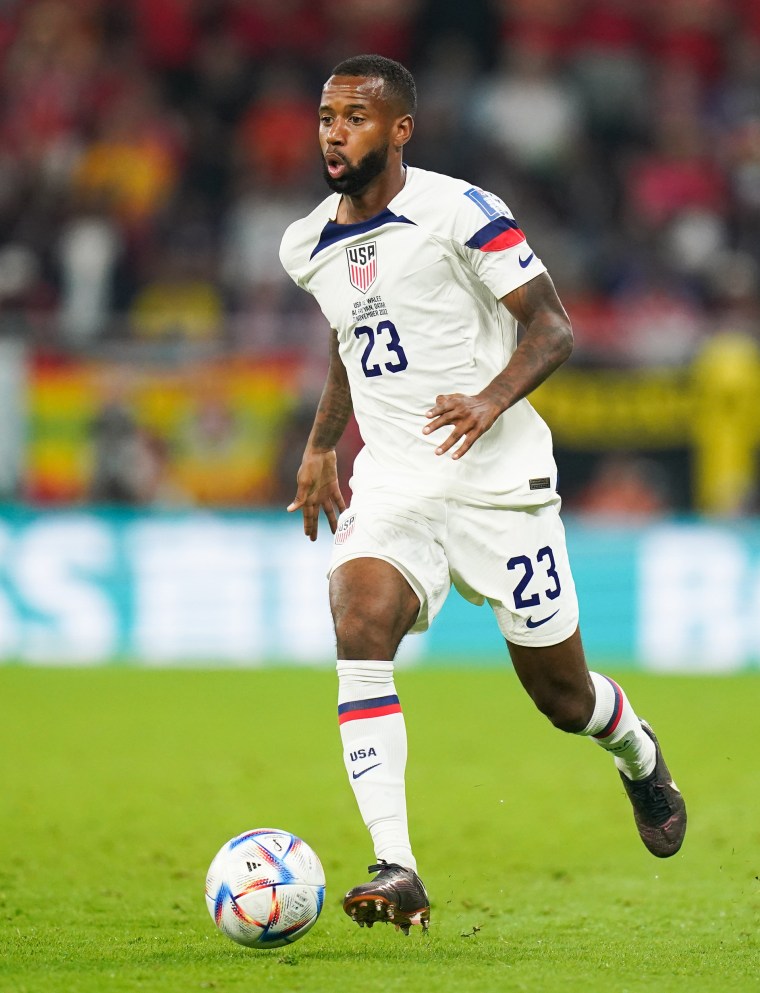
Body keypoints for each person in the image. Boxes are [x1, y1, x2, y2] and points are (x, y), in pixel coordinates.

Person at [279, 54, 686, 936]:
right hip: (395, 480)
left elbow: (554, 326)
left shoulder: (460, 211)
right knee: (358, 615)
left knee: (563, 698)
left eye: (354, 117)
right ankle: (399, 864)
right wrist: (319, 445)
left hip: (501, 485)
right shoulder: (305, 240)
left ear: (399, 130)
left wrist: (488, 399)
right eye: (325, 117)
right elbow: (352, 338)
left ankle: (638, 752)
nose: (335, 133)